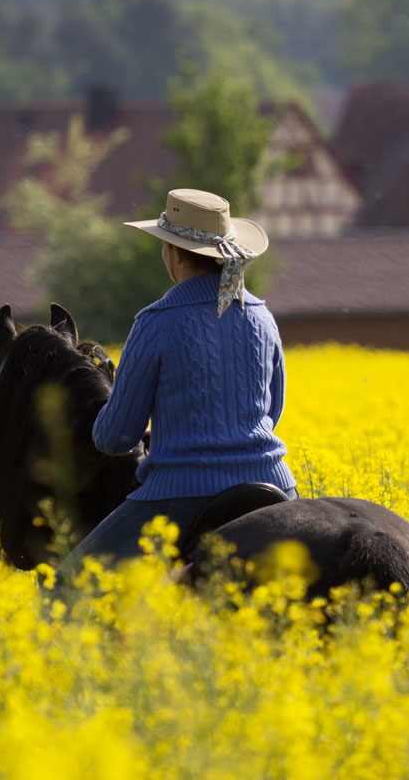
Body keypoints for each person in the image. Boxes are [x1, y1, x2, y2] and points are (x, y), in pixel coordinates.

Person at [51, 187, 298, 591]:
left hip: (182, 496)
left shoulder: (157, 321)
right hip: (275, 487)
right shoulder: (261, 315)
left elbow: (115, 438)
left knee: (64, 589)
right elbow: (273, 411)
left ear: (175, 254)